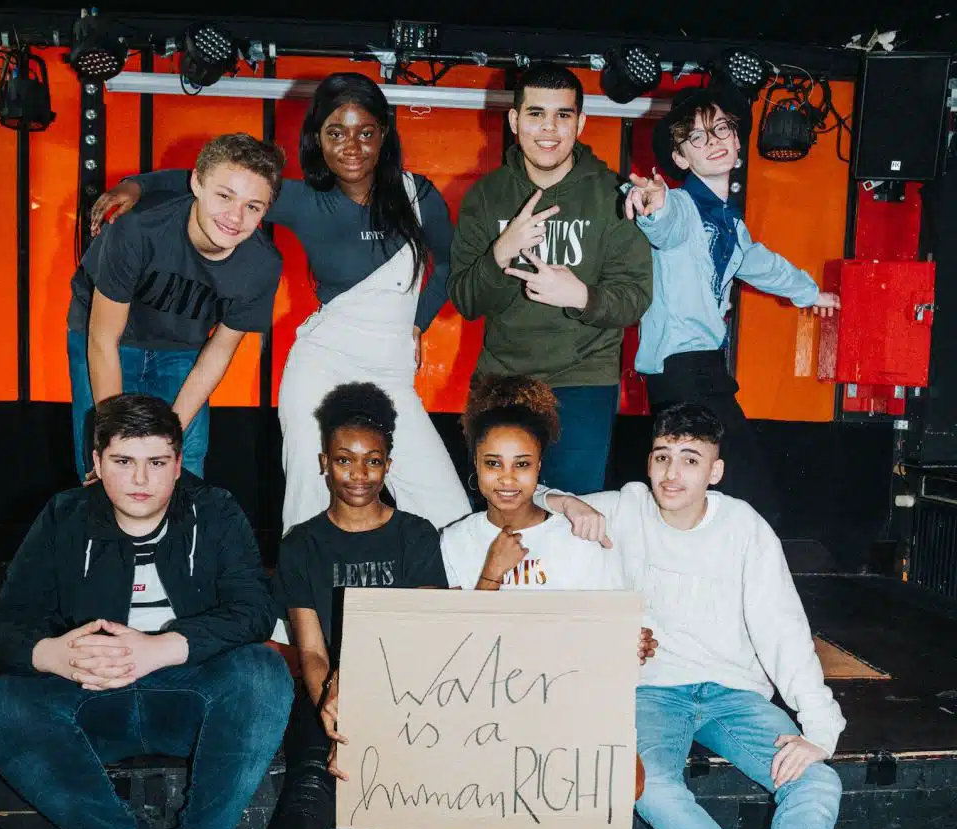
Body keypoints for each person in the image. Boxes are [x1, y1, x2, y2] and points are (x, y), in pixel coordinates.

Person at [536, 402, 865, 829]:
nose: (672, 474)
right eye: (662, 457)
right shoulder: (628, 506)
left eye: (690, 460)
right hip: (651, 690)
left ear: (715, 471)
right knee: (650, 787)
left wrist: (820, 729)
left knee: (818, 781)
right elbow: (535, 495)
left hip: (734, 693)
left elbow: (783, 629)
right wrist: (566, 501)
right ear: (648, 462)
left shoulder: (743, 529)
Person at [232, 382, 534, 829]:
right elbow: (311, 650)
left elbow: (426, 637)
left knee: (403, 743)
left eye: (372, 461)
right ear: (324, 462)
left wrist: (370, 693)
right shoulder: (303, 543)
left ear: (388, 464)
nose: (358, 474)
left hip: (408, 690)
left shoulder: (415, 537)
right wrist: (331, 701)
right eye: (344, 460)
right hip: (328, 692)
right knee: (309, 785)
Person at [0, 394, 293, 829]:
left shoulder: (214, 510)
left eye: (157, 462)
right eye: (124, 461)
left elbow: (254, 611)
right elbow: (3, 627)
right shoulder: (64, 516)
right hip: (94, 698)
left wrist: (161, 648)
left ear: (178, 463)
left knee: (262, 673)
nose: (141, 479)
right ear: (97, 463)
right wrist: (56, 655)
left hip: (187, 700)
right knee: (4, 706)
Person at [90, 72, 470, 534]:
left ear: (384, 135)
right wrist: (136, 186)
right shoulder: (304, 200)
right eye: (336, 133)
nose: (351, 146)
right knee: (309, 507)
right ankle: (303, 585)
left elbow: (449, 265)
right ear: (317, 138)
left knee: (448, 510)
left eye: (365, 132)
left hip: (392, 376)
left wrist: (418, 321)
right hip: (322, 367)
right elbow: (211, 183)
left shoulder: (418, 196)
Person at [420, 375, 656, 829]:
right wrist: (490, 574)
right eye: (493, 464)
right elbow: (449, 654)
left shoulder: (579, 539)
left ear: (540, 469)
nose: (507, 480)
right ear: (474, 467)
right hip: (481, 707)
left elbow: (611, 632)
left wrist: (632, 643)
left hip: (560, 705)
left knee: (625, 780)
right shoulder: (454, 541)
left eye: (521, 465)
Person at [624, 84, 840, 525]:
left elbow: (761, 263)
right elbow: (665, 225)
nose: (714, 141)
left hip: (705, 369)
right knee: (744, 497)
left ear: (738, 141)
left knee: (720, 496)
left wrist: (809, 293)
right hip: (681, 370)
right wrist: (654, 206)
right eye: (697, 137)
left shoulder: (729, 224)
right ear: (681, 158)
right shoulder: (681, 206)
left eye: (721, 129)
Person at [448, 62, 653, 494]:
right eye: (536, 113)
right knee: (500, 511)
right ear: (514, 120)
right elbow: (467, 301)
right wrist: (501, 252)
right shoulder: (486, 196)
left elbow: (635, 297)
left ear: (580, 123)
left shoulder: (612, 196)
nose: (549, 128)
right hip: (501, 378)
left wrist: (581, 297)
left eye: (562, 115)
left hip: (584, 378)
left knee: (572, 512)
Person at [68, 133, 284, 481]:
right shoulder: (136, 228)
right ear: (196, 182)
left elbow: (219, 350)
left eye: (253, 207)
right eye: (224, 196)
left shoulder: (261, 265)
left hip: (183, 347)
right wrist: (116, 439)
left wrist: (170, 436)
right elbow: (102, 340)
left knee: (183, 463)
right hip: (109, 337)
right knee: (106, 462)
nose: (235, 216)